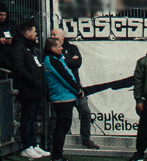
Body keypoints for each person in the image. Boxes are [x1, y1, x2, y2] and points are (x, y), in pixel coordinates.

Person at [48, 28, 97, 150]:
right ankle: (51, 144)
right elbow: (60, 66)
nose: (53, 36)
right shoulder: (50, 52)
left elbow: (77, 63)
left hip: (76, 88)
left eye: (55, 35)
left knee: (86, 112)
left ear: (62, 36)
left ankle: (86, 139)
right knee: (56, 118)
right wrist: (68, 61)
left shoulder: (72, 48)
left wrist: (65, 61)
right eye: (51, 35)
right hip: (62, 91)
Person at [9, 25, 46, 160]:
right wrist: (32, 80)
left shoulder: (31, 47)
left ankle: (33, 144)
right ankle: (26, 146)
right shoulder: (19, 47)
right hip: (27, 88)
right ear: (27, 33)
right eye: (34, 32)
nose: (36, 34)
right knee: (27, 117)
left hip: (36, 88)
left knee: (33, 117)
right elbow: (19, 68)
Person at [42, 36, 80, 161]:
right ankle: (57, 156)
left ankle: (58, 154)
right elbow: (65, 78)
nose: (62, 48)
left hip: (64, 97)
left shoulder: (55, 59)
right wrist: (78, 91)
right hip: (62, 98)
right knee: (61, 127)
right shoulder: (52, 60)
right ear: (53, 48)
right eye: (59, 46)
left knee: (62, 127)